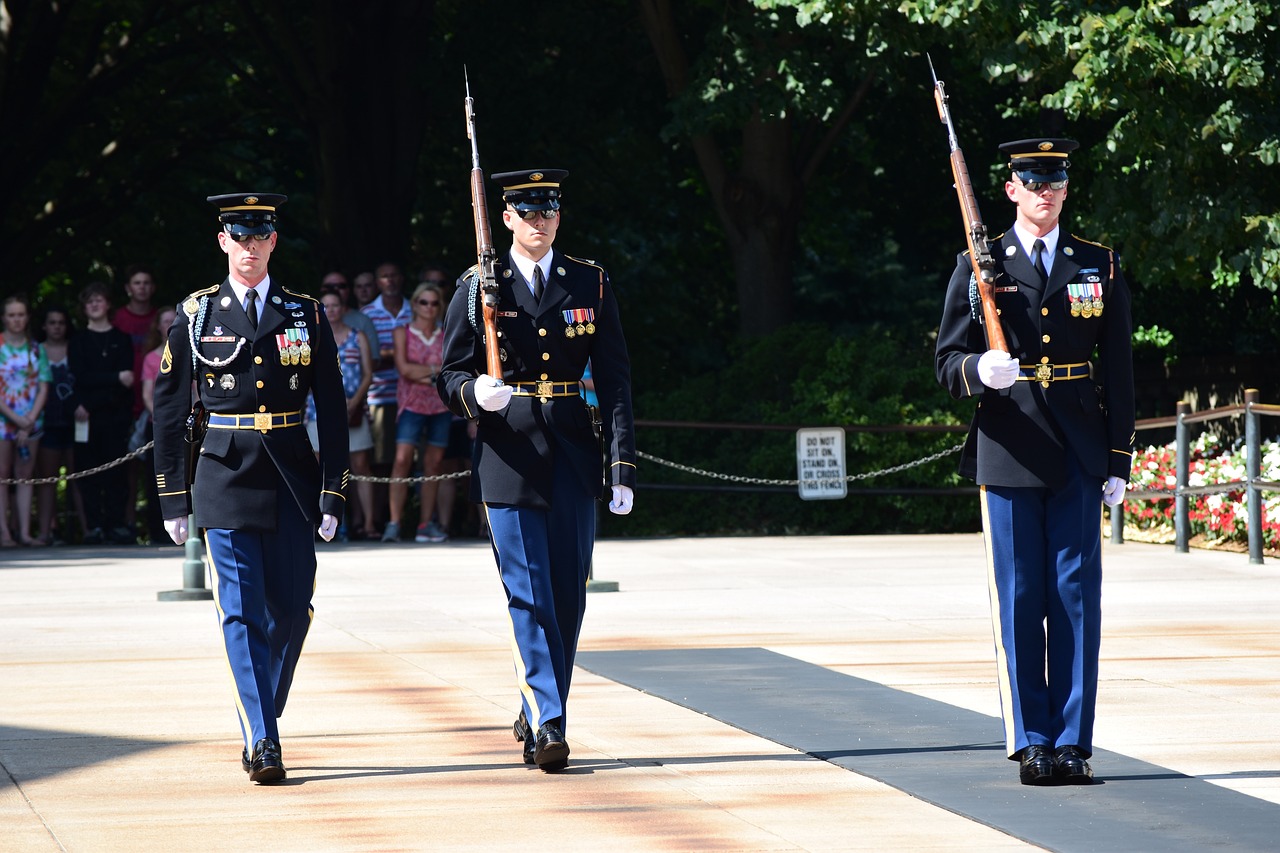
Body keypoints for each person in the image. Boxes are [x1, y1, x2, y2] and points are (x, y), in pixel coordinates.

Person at [935, 138, 1134, 786]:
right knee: (1021, 599)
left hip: (1078, 448)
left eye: (1054, 180)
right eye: (1031, 179)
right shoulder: (979, 262)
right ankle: (1031, 738)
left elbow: (1120, 371)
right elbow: (946, 359)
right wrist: (977, 369)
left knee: (1076, 598)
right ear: (1010, 189)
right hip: (1011, 443)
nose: (1044, 190)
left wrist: (1118, 458)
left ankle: (1073, 739)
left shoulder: (1096, 264)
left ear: (1066, 189)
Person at [438, 168, 636, 772]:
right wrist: (477, 393)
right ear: (505, 218)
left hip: (574, 452)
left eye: (547, 208)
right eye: (526, 210)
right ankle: (551, 721)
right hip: (508, 453)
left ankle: (535, 700)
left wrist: (620, 465)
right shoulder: (478, 287)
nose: (538, 220)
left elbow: (617, 381)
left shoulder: (590, 283)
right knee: (528, 595)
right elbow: (447, 375)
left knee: (568, 596)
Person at [152, 192, 348, 784]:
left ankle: (261, 703)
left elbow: (334, 409)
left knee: (291, 608)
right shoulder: (195, 315)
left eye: (260, 236)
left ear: (273, 242)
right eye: (240, 236)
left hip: (290, 473)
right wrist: (172, 496)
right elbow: (166, 411)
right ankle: (262, 737)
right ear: (223, 242)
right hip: (224, 473)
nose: (250, 247)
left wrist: (333, 491)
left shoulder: (303, 314)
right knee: (239, 611)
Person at [305, 286, 375, 541]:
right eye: (326, 306)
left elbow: (368, 373)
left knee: (360, 466)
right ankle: (316, 522)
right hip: (315, 411)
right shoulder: (313, 336)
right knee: (316, 466)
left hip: (354, 410)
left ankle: (366, 523)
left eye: (335, 305)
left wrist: (354, 402)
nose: (331, 311)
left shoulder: (358, 336)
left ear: (343, 308)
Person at [67, 282, 135, 545]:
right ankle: (93, 526)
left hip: (115, 418)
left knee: (117, 474)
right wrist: (114, 378)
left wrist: (103, 386)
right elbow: (80, 377)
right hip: (86, 419)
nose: (95, 305)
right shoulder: (78, 341)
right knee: (89, 473)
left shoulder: (121, 339)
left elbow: (128, 380)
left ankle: (116, 524)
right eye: (89, 301)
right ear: (84, 308)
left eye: (99, 300)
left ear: (108, 304)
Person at [386, 282, 450, 544]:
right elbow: (404, 369)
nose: (429, 308)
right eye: (424, 302)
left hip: (440, 406)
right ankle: (394, 523)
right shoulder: (402, 332)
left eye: (434, 303)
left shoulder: (445, 334)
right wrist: (434, 372)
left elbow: (447, 370)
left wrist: (426, 373)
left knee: (434, 464)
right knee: (401, 461)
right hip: (410, 405)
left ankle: (425, 523)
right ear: (414, 304)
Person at [361, 261, 411, 535]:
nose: (389, 280)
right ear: (378, 282)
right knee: (380, 462)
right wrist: (401, 356)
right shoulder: (367, 313)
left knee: (406, 462)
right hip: (379, 396)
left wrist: (395, 356)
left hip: (413, 397)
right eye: (384, 276)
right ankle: (377, 521)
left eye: (393, 275)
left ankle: (401, 520)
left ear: (400, 279)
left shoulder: (415, 308)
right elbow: (370, 360)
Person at [1, 294, 51, 547]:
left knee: (25, 475)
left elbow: (44, 385)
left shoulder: (35, 348)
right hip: (3, 420)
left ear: (27, 317)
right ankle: (4, 533)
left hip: (31, 420)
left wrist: (29, 419)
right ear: (4, 318)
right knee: (2, 474)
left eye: (20, 314)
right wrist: (16, 419)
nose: (16, 319)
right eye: (11, 315)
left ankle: (24, 532)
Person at [35, 306, 87, 544]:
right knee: (47, 480)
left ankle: (87, 531)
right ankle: (46, 532)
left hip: (76, 422)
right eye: (52, 322)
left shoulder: (75, 349)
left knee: (81, 477)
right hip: (47, 422)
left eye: (61, 322)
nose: (56, 327)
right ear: (44, 326)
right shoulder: (36, 351)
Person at [113, 264, 159, 537]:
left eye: (146, 282)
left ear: (151, 288)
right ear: (128, 289)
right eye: (137, 283)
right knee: (128, 466)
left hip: (155, 403)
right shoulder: (119, 318)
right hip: (127, 400)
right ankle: (129, 521)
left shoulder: (160, 317)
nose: (141, 287)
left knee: (156, 469)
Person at [139, 305, 178, 543]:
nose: (170, 325)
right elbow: (146, 394)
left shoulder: (190, 354)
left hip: (186, 425)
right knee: (157, 480)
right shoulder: (151, 357)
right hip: (158, 425)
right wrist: (163, 421)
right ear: (158, 326)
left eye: (173, 320)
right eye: (165, 321)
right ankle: (156, 532)